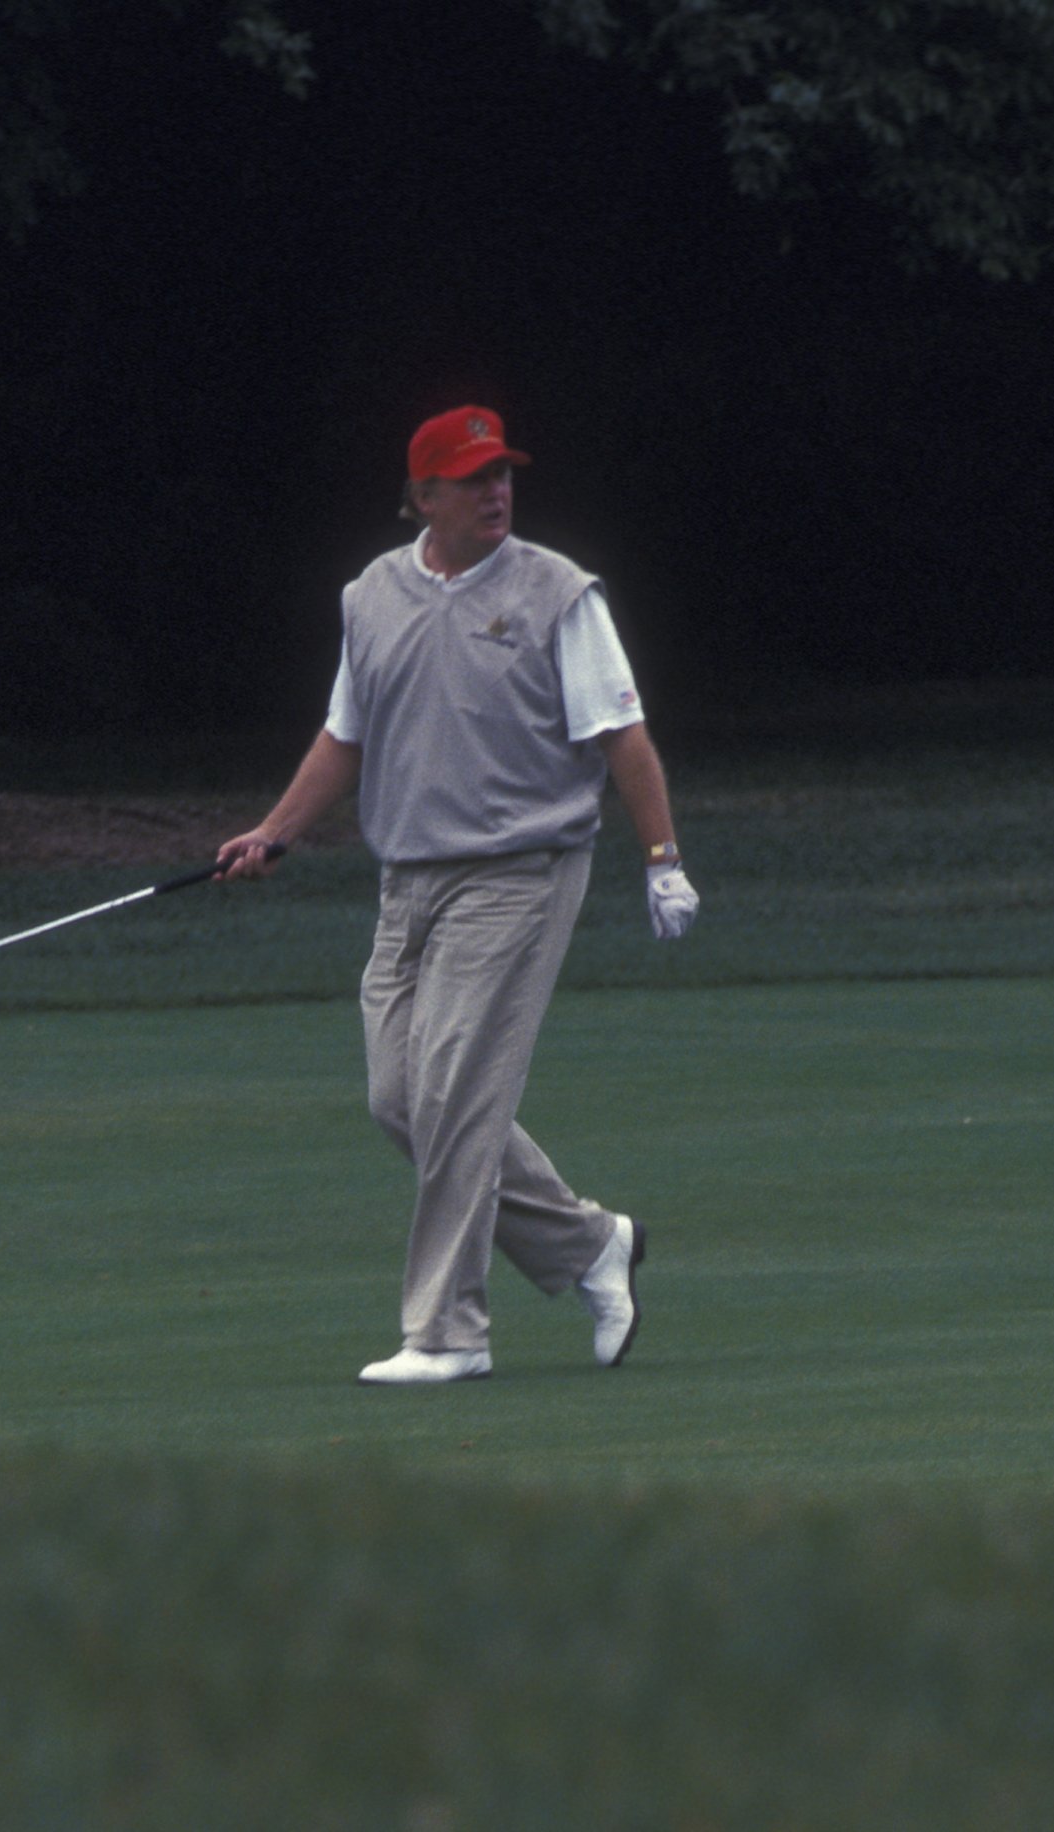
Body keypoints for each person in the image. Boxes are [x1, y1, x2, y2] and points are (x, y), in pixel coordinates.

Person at [216, 405, 698, 1385]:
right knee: (402, 1098)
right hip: (409, 875)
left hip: (522, 868)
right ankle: (588, 1243)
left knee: (455, 1091)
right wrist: (275, 830)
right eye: (474, 478)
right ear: (423, 494)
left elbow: (624, 735)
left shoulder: (559, 592)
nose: (497, 492)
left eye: (505, 474)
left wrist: (663, 856)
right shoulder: (373, 597)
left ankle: (449, 1332)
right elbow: (345, 737)